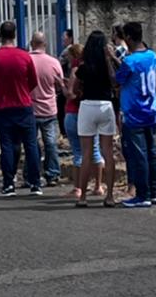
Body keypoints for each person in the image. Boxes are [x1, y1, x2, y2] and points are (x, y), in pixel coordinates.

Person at [0, 20, 41, 198]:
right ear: (15, 35)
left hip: (4, 106)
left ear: (0, 35)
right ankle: (35, 183)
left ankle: (8, 184)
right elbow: (33, 82)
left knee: (7, 146)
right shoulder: (25, 56)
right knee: (31, 146)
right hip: (24, 105)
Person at [114, 21, 156, 208]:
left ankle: (143, 194)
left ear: (128, 38)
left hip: (134, 113)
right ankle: (155, 190)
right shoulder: (152, 56)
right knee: (152, 152)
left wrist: (111, 58)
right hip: (152, 110)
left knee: (139, 155)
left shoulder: (129, 61)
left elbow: (116, 80)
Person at [71, 30, 118, 207]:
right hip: (106, 106)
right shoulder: (107, 66)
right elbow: (115, 82)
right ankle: (110, 196)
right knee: (108, 152)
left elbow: (74, 89)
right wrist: (110, 58)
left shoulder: (84, 66)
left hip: (87, 106)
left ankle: (83, 197)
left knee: (86, 154)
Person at [63, 43, 104, 200]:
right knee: (95, 149)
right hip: (91, 111)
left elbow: (71, 94)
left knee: (78, 151)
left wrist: (62, 86)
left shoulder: (77, 71)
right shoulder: (93, 69)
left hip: (74, 112)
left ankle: (78, 188)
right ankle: (98, 186)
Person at [29, 31, 65, 187]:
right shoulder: (54, 62)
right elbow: (60, 83)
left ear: (31, 43)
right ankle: (53, 173)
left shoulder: (27, 60)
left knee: (31, 144)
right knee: (50, 143)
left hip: (30, 108)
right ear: (45, 44)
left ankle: (32, 174)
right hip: (49, 107)